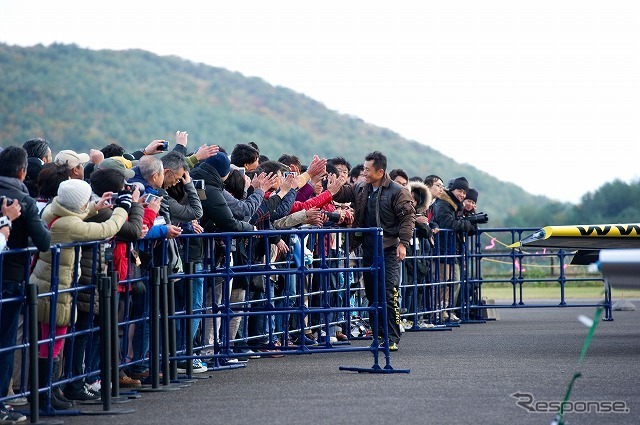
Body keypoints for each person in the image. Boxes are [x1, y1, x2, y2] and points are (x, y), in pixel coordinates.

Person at [32, 179, 131, 409]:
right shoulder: (68, 225)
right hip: (58, 287)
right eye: (86, 200)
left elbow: (76, 216)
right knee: (53, 343)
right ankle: (45, 396)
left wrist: (95, 208)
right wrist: (122, 209)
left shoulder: (53, 210)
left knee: (51, 341)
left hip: (47, 283)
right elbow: (105, 230)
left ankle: (50, 391)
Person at [334, 151, 415, 351]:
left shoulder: (398, 191)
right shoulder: (361, 187)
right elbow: (344, 193)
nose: (365, 173)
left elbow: (408, 218)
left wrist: (403, 243)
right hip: (368, 248)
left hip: (389, 249)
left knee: (389, 293)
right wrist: (333, 186)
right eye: (364, 169)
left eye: (368, 170)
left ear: (380, 171)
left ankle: (392, 337)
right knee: (372, 294)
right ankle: (378, 334)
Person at [0, 146, 50, 424]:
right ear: (22, 172)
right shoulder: (24, 200)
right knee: (6, 342)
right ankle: (2, 403)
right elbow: (44, 242)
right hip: (12, 277)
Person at [431, 177, 474, 322]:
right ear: (452, 190)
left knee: (452, 282)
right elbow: (448, 223)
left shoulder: (455, 205)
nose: (462, 195)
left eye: (464, 192)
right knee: (446, 282)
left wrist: (470, 221)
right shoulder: (443, 203)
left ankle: (446, 310)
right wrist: (466, 224)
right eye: (459, 191)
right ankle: (440, 311)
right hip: (442, 248)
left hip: (451, 248)